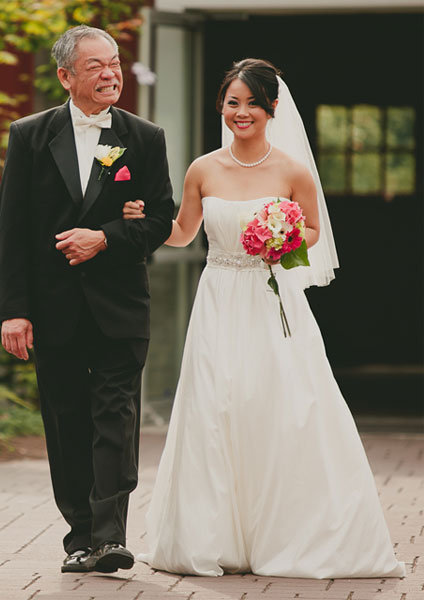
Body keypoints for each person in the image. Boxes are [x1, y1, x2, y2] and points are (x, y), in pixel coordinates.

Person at [123, 59, 405, 578]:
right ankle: (216, 537)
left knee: (283, 403)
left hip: (273, 299)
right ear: (221, 108)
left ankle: (288, 532)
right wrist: (146, 222)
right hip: (218, 298)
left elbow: (315, 232)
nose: (242, 111)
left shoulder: (294, 170)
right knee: (216, 403)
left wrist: (284, 238)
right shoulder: (202, 169)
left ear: (272, 107)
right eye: (233, 102)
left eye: (253, 102)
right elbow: (184, 231)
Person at [0, 25, 174, 574]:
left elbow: (161, 220)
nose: (110, 73)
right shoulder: (29, 135)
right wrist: (15, 309)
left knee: (115, 418)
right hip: (52, 309)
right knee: (66, 419)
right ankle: (80, 534)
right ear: (66, 76)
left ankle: (111, 535)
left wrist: (107, 237)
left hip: (120, 305)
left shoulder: (144, 137)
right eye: (96, 65)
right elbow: (15, 230)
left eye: (115, 63)